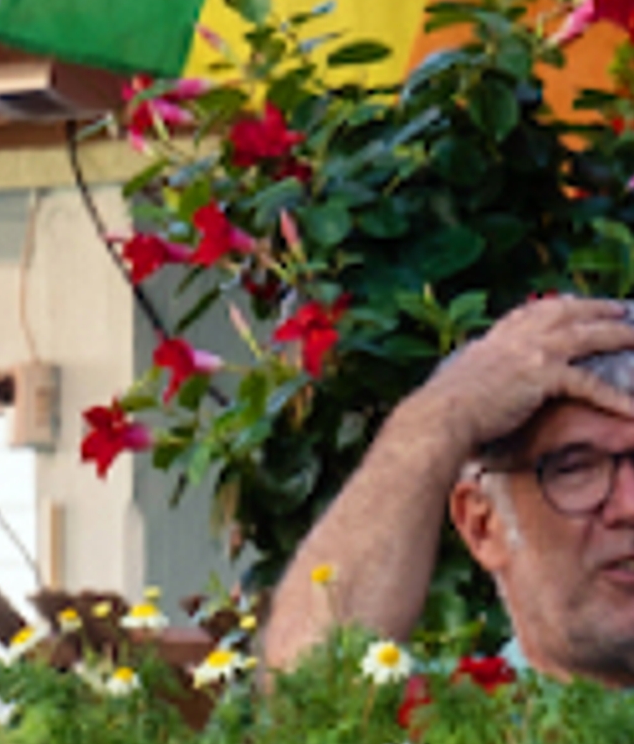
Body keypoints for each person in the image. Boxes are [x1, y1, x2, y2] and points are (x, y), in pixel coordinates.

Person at [258, 291, 634, 679]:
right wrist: (440, 414)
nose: (630, 505)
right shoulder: (440, 720)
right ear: (482, 525)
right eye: (575, 469)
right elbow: (306, 693)